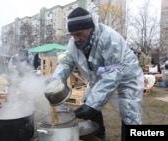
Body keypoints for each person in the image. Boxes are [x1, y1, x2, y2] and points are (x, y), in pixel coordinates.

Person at [44, 7, 144, 141]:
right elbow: (67, 61)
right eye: (72, 35)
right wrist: (56, 81)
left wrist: (92, 105)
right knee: (87, 99)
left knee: (130, 115)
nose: (76, 39)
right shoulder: (73, 43)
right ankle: (98, 135)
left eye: (79, 34)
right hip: (100, 78)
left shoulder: (109, 38)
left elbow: (113, 71)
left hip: (126, 80)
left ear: (90, 28)